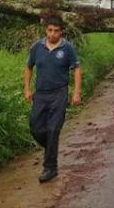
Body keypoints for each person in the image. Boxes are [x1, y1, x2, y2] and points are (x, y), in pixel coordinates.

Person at [23, 16, 82, 183]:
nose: (52, 34)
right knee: (36, 128)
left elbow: (76, 69)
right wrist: (27, 89)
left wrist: (76, 93)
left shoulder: (67, 48)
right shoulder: (37, 47)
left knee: (53, 129)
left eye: (56, 31)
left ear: (61, 32)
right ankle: (51, 147)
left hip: (59, 93)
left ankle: (50, 167)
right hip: (40, 94)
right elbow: (28, 68)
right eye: (49, 30)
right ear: (45, 30)